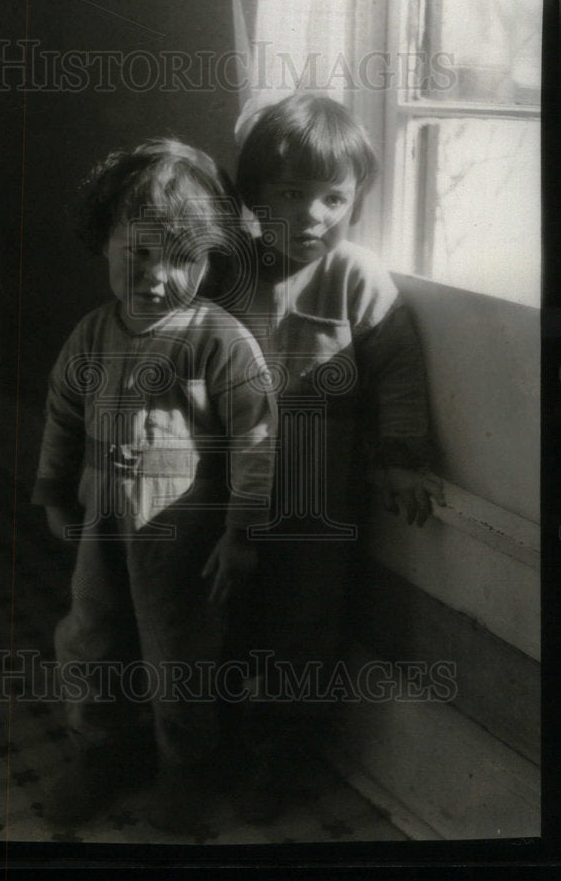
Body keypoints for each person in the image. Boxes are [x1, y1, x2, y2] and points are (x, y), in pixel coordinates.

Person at [31, 139, 276, 834]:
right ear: (105, 243)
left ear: (209, 259)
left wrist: (240, 532)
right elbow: (62, 414)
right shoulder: (91, 336)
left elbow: (255, 440)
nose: (157, 276)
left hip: (184, 538)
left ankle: (185, 770)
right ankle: (100, 753)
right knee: (90, 639)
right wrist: (53, 489)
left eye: (182, 258)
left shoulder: (218, 340)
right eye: (138, 253)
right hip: (103, 525)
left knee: (179, 656)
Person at [224, 92, 445, 822]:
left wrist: (402, 455)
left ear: (353, 201)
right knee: (223, 616)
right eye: (290, 195)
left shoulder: (356, 276)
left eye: (333, 198)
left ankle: (286, 760)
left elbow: (398, 371)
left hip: (318, 505)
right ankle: (218, 741)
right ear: (254, 195)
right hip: (225, 494)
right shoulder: (229, 274)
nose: (312, 216)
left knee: (303, 631)